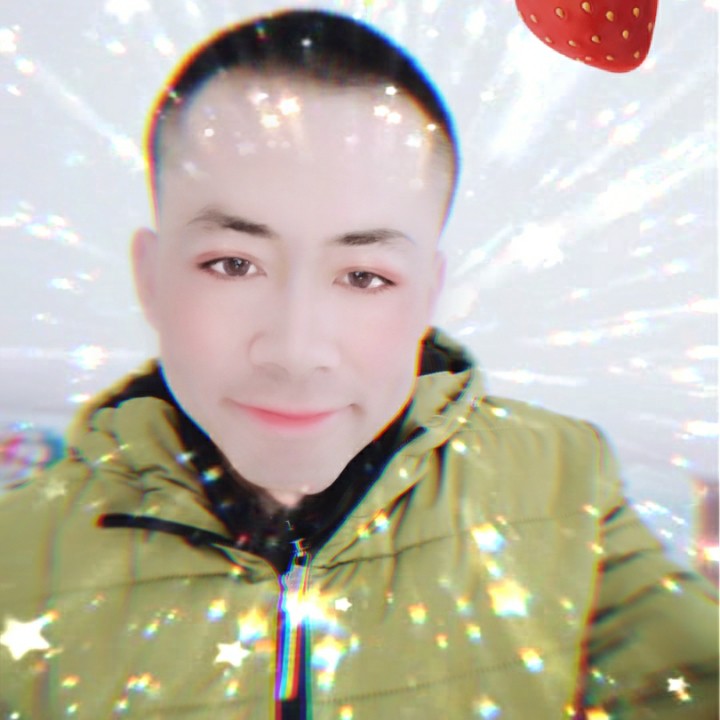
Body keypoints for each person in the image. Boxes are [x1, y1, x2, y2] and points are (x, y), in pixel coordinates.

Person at [0, 9, 716, 720]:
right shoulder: (18, 554)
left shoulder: (561, 481)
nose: (295, 350)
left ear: (427, 296)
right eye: (233, 264)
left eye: (364, 276)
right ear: (152, 278)